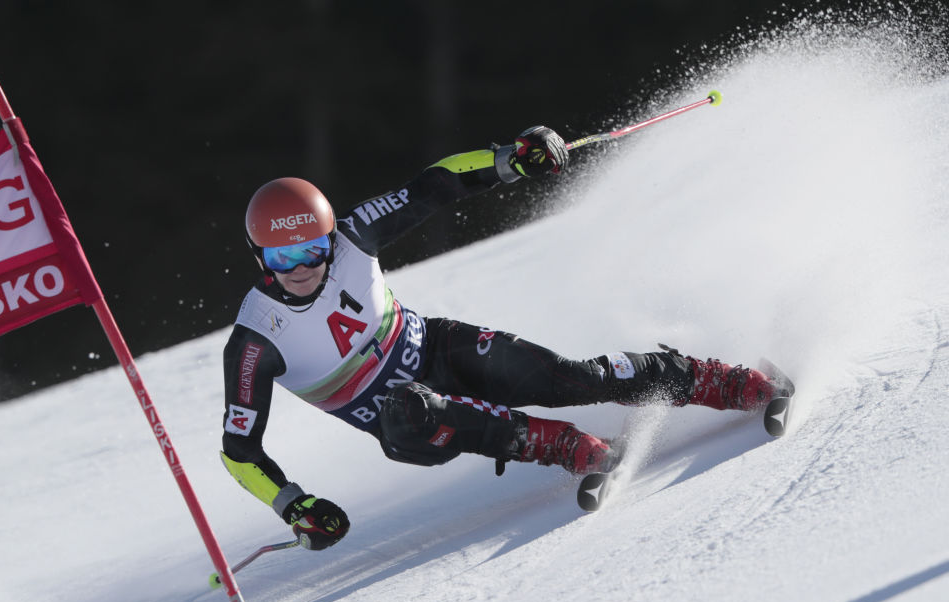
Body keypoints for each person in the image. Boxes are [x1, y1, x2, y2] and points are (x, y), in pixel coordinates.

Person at [220, 126, 787, 551]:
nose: (302, 268)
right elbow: (238, 450)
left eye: (312, 249)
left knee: (570, 378)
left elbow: (435, 186)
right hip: (404, 425)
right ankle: (562, 446)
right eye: (282, 257)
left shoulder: (353, 235)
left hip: (436, 348)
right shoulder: (254, 341)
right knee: (409, 409)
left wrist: (512, 160)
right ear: (259, 256)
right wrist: (295, 507)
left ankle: (719, 380)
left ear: (328, 237)